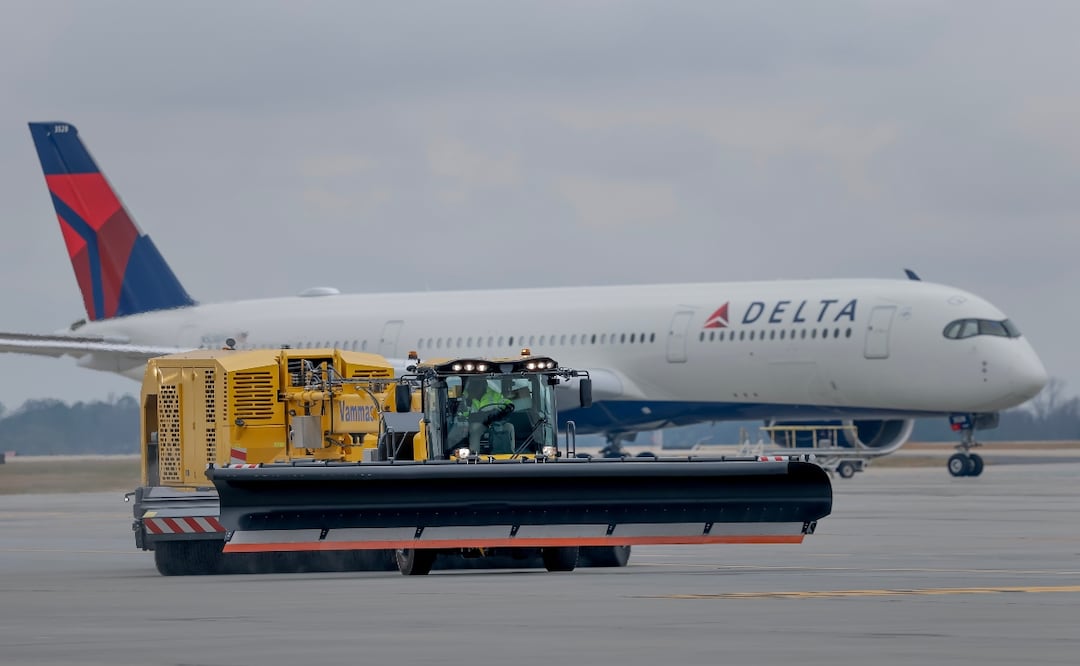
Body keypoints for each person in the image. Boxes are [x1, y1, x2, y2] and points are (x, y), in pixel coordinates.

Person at [457, 378, 513, 452]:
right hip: (476, 425)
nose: (476, 387)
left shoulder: (494, 395)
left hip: (495, 423)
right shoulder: (464, 398)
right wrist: (481, 415)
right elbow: (460, 414)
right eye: (473, 385)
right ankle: (474, 456)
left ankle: (512, 454)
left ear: (484, 385)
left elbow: (507, 403)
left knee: (509, 427)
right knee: (475, 428)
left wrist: (506, 408)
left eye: (479, 384)